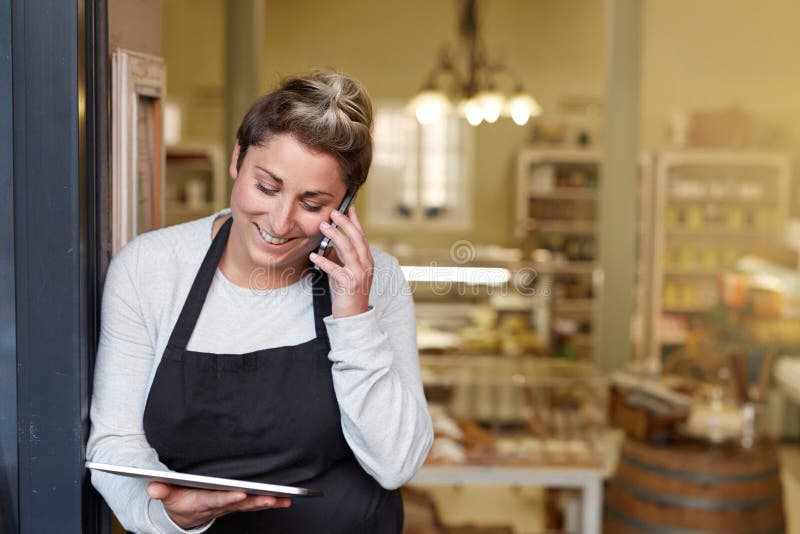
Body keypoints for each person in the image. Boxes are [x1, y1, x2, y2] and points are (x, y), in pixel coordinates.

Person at [87, 70, 433, 534]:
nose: (280, 220)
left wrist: (353, 313)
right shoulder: (148, 269)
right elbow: (115, 444)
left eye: (312, 204)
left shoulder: (376, 280)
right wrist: (165, 515)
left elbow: (397, 464)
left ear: (346, 206)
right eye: (266, 187)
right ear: (237, 159)